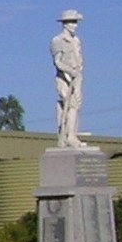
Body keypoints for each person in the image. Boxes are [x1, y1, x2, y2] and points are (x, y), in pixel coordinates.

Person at [50, 9, 85, 148]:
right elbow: (57, 62)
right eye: (72, 22)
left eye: (75, 22)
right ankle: (67, 136)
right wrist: (69, 72)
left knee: (76, 105)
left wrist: (77, 72)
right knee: (69, 104)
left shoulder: (76, 41)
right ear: (65, 24)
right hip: (64, 78)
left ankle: (72, 134)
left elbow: (79, 58)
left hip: (77, 77)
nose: (74, 25)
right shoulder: (57, 40)